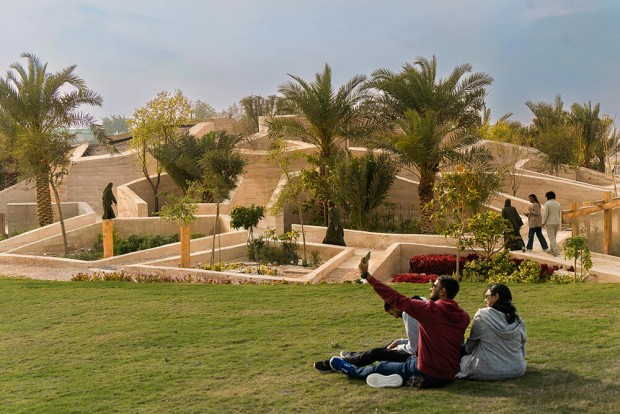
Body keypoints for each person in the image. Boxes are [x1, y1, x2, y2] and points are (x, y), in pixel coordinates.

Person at [328, 259, 470, 389]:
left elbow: (396, 298)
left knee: (381, 366)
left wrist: (366, 274)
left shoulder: (430, 310)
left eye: (434, 286)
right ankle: (398, 377)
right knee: (404, 361)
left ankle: (352, 370)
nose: (431, 288)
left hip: (427, 373)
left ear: (442, 291)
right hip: (448, 375)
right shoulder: (463, 316)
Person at [313, 299, 421, 373]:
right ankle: (358, 356)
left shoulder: (407, 313)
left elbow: (413, 348)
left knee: (376, 353)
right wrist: (399, 342)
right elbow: (418, 339)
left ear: (394, 306)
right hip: (421, 352)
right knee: (389, 345)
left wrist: (398, 347)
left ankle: (337, 364)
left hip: (415, 357)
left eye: (391, 313)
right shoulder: (420, 305)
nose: (394, 317)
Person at [457, 283, 526, 380]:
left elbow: (471, 345)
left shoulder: (482, 315)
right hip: (516, 369)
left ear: (496, 296)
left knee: (462, 358)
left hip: (486, 371)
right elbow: (522, 346)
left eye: (487, 296)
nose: (485, 300)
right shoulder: (518, 319)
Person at [542, 191, 562, 256]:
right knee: (554, 237)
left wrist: (543, 222)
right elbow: (559, 213)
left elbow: (545, 214)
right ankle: (552, 250)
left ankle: (556, 251)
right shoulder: (558, 204)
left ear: (548, 197)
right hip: (557, 222)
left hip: (550, 222)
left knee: (551, 237)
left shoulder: (547, 203)